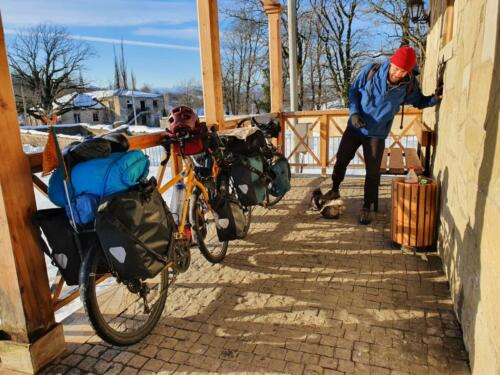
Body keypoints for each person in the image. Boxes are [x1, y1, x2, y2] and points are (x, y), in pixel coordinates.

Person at [322, 46, 441, 224]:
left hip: (376, 135)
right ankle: (335, 188)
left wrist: (434, 99)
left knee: (372, 172)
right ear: (391, 62)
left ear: (408, 71)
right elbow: (354, 90)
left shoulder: (408, 86)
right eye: (395, 68)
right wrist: (354, 113)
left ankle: (367, 206)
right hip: (355, 128)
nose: (396, 73)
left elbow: (419, 101)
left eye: (402, 71)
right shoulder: (371, 70)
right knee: (341, 159)